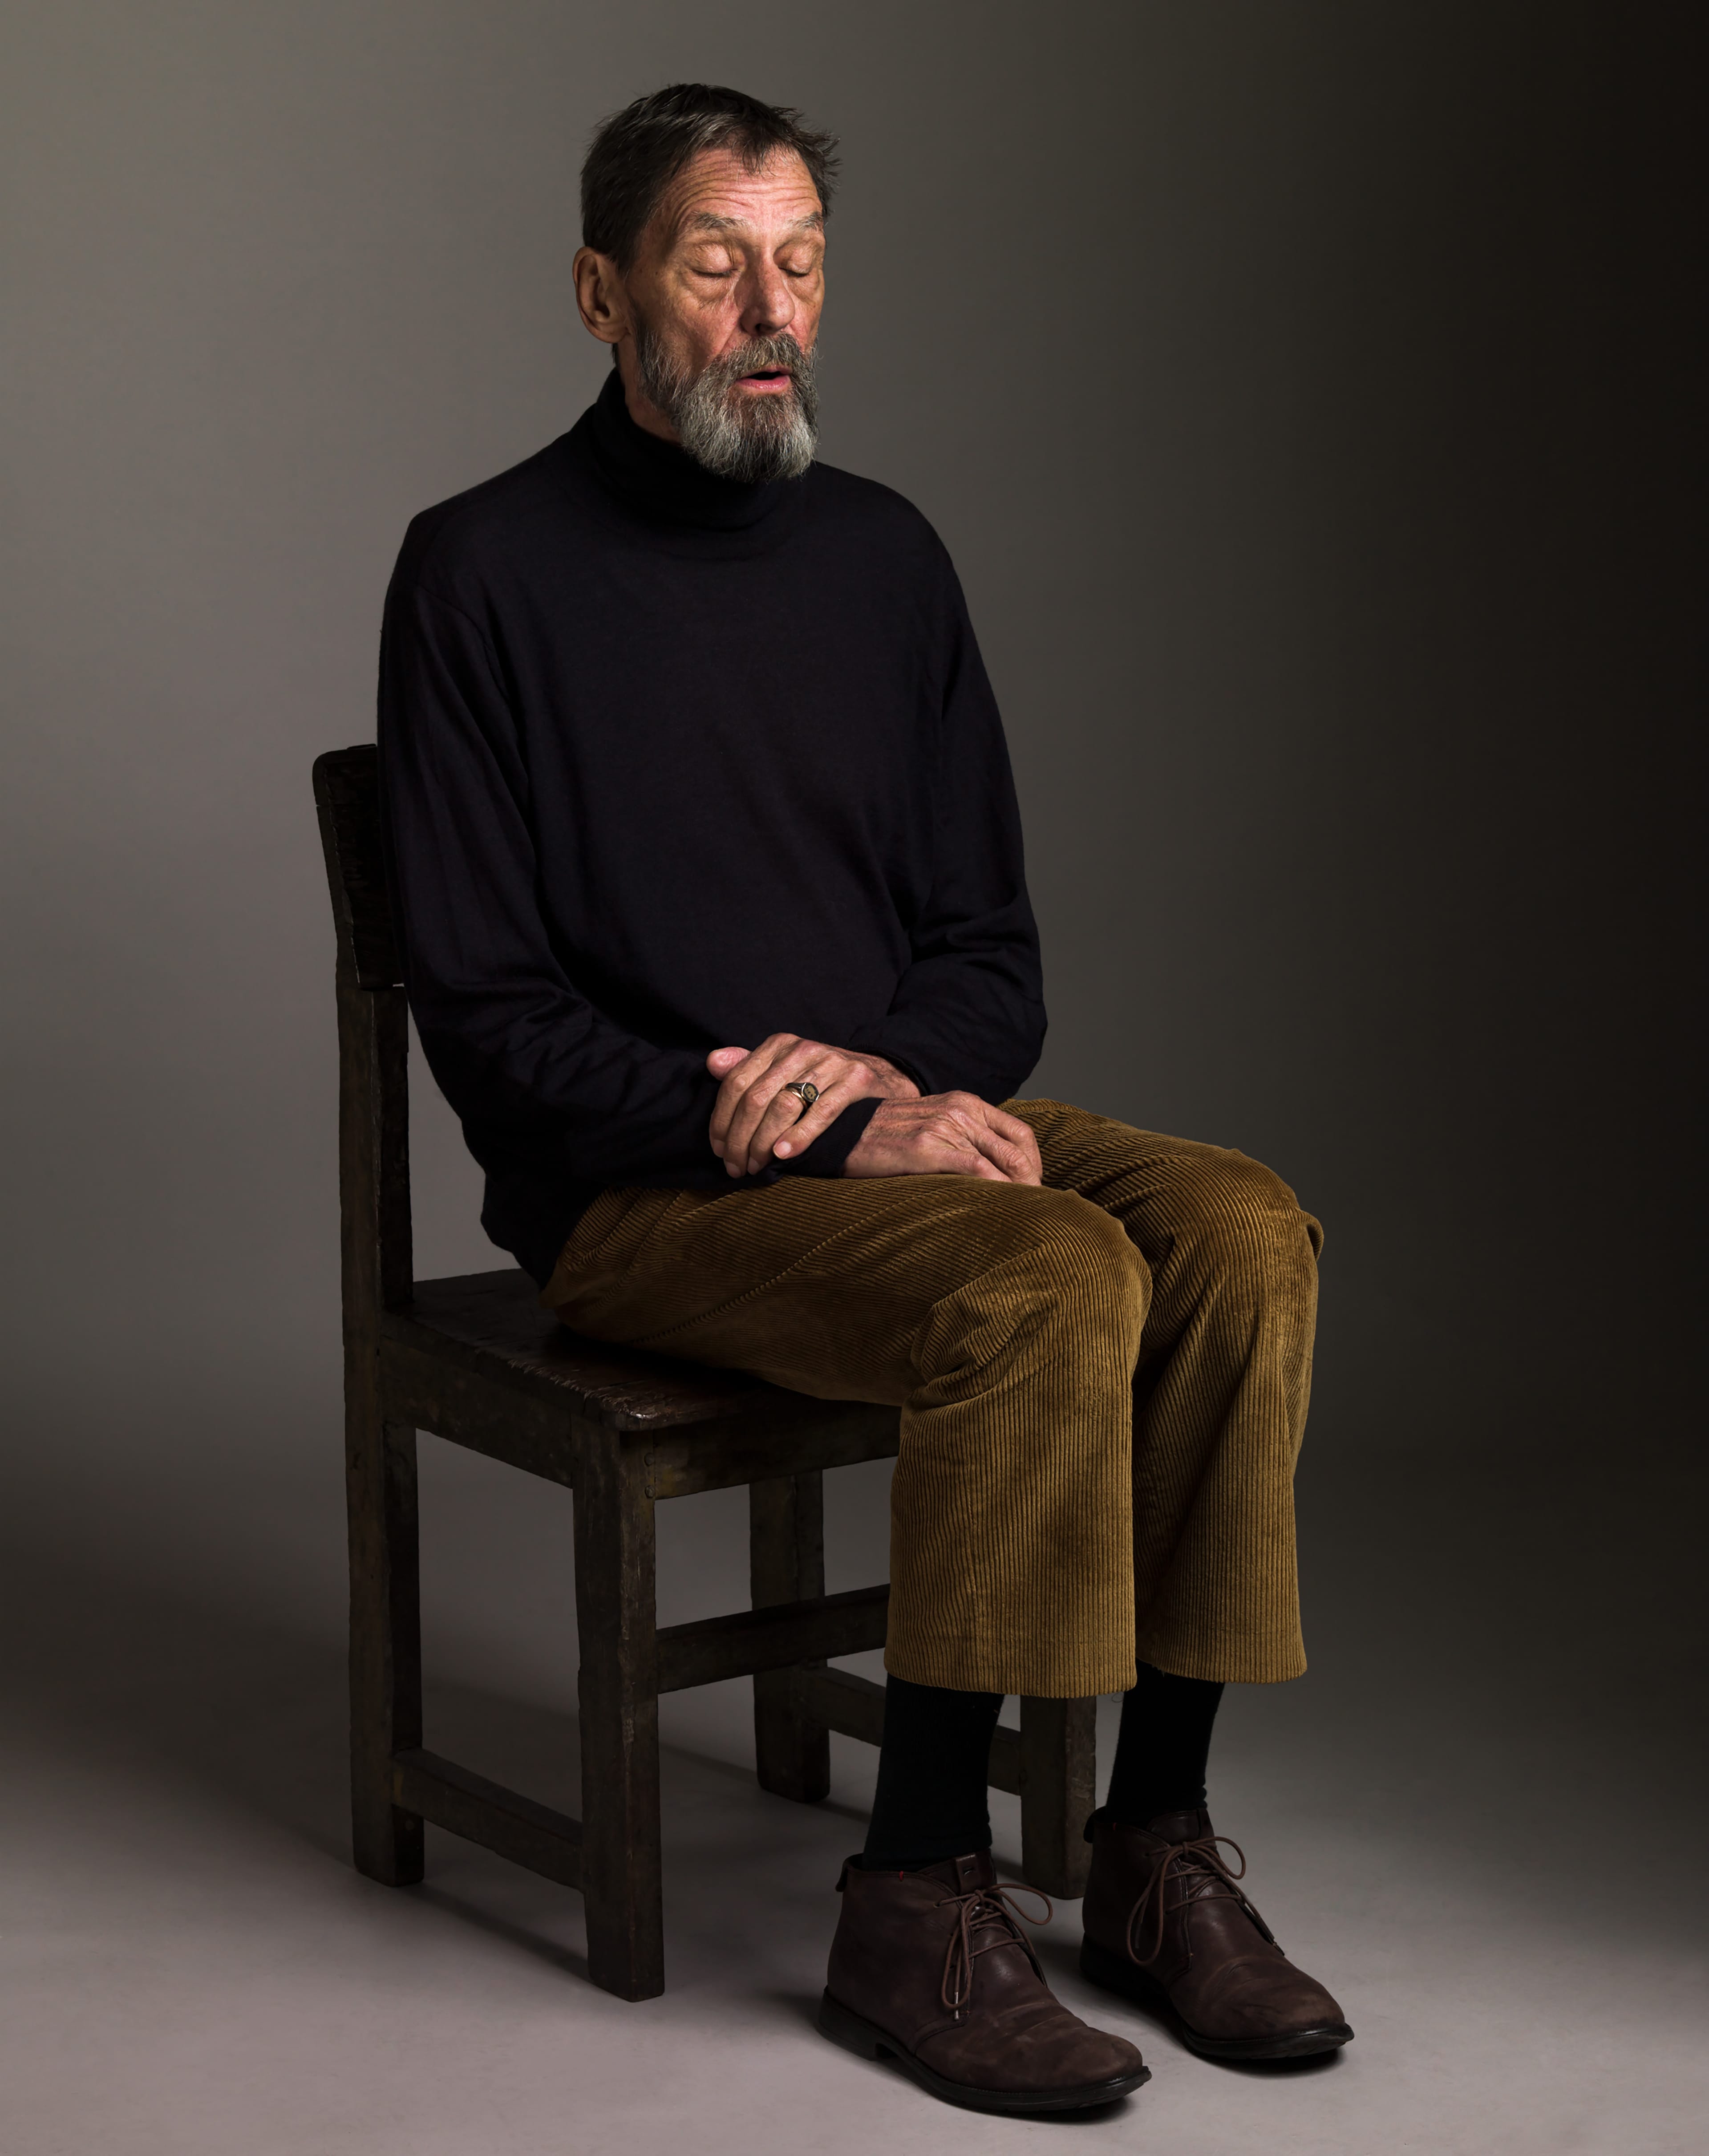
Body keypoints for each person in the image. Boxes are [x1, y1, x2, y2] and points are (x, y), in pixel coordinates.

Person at [377, 81, 1351, 2116]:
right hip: (642, 1186)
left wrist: (892, 1087)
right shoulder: (479, 575)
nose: (768, 308)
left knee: (1243, 1227)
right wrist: (817, 1119)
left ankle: (1150, 1846)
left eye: (802, 262)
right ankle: (914, 1894)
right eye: (715, 258)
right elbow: (483, 1013)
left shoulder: (888, 561)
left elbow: (994, 955)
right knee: (1050, 1280)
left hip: (900, 1131)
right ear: (602, 291)